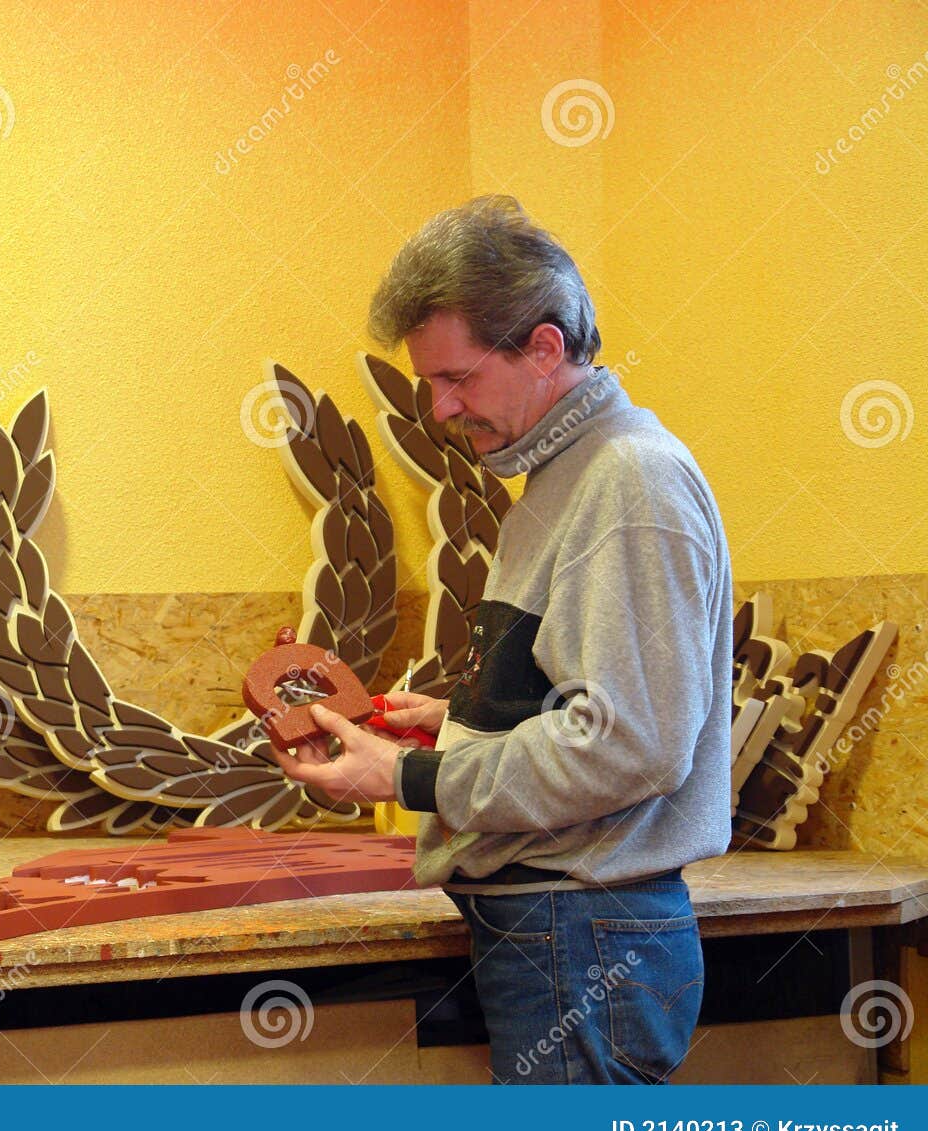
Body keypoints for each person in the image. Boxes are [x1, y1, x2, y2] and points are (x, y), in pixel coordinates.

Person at [276, 194, 733, 1084]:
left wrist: (408, 775)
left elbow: (632, 743)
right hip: (561, 928)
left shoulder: (628, 481)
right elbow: (586, 695)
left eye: (458, 378)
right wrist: (464, 715)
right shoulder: (560, 476)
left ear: (545, 347)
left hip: (586, 927)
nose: (442, 408)